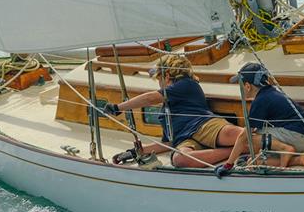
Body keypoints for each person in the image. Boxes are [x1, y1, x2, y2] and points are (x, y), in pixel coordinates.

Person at [104, 54, 244, 168]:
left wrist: (118, 108)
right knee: (180, 160)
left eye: (159, 79)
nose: (159, 84)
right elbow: (168, 143)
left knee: (234, 134)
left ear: (167, 76)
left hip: (203, 125)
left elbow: (150, 98)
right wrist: (137, 152)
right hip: (185, 139)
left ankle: (248, 144)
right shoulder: (165, 114)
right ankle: (236, 150)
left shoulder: (186, 84)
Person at [215, 62, 304, 178]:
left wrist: (228, 165)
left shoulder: (261, 101)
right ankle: (298, 160)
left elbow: (244, 137)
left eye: (240, 85)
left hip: (301, 139)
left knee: (251, 138)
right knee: (253, 162)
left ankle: (285, 149)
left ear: (248, 86)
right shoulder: (271, 92)